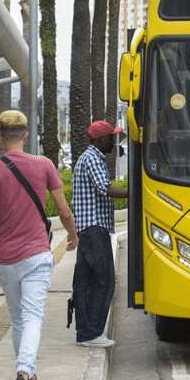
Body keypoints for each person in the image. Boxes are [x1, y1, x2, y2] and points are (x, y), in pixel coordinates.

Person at [0, 110, 79, 380]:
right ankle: (22, 376)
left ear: (0, 136)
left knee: (19, 318)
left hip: (4, 257)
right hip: (36, 254)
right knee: (33, 317)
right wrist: (72, 236)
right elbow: (64, 211)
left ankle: (27, 378)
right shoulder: (43, 165)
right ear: (26, 135)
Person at [71, 121, 128, 349]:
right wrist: (135, 192)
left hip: (89, 228)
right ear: (99, 139)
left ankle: (86, 333)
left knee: (85, 282)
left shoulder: (91, 157)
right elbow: (106, 188)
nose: (113, 141)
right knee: (105, 280)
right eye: (110, 137)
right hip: (94, 229)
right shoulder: (93, 158)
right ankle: (92, 332)